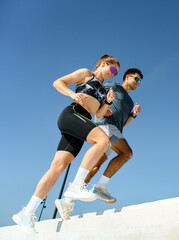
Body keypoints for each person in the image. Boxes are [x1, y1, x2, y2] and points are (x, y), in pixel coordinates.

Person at [12, 54, 120, 234]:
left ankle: (27, 212)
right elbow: (58, 82)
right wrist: (72, 93)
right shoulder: (87, 74)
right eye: (114, 69)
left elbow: (99, 115)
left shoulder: (103, 89)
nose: (114, 74)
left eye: (116, 73)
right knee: (103, 140)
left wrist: (107, 102)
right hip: (72, 114)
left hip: (82, 121)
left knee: (57, 168)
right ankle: (77, 186)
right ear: (103, 63)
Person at [55, 68, 143, 221]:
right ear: (127, 77)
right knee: (126, 153)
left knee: (95, 166)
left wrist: (133, 115)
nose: (138, 83)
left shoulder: (129, 101)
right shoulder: (113, 86)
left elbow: (124, 123)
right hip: (105, 125)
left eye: (140, 81)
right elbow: (98, 94)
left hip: (116, 129)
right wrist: (101, 108)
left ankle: (67, 200)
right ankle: (100, 187)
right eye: (137, 79)